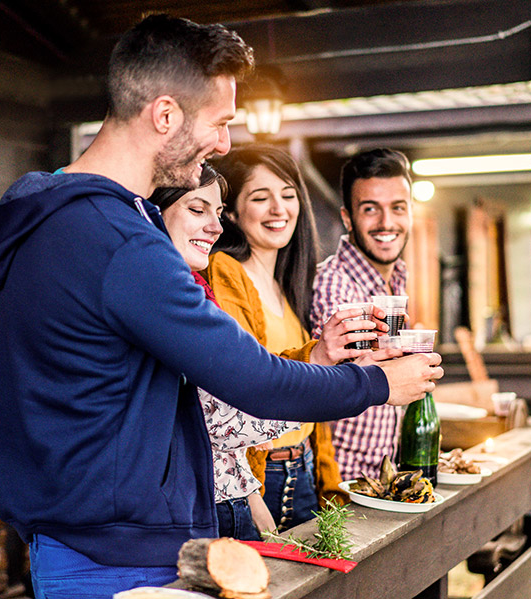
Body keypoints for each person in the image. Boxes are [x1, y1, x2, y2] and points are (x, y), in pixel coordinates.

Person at [0, 15, 442, 598]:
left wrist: (321, 362)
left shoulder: (63, 219)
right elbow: (251, 378)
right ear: (165, 115)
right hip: (117, 558)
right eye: (219, 122)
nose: (224, 143)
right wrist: (378, 383)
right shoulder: (116, 242)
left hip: (81, 540)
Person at [207, 145, 377, 530]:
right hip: (258, 476)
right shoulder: (225, 272)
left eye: (288, 195)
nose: (279, 209)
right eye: (260, 197)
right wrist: (249, 497)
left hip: (302, 467)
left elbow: (313, 401)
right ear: (231, 212)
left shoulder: (292, 284)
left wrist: (328, 485)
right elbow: (239, 387)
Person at [149, 165, 297, 541]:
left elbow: (203, 416)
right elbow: (219, 417)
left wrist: (246, 489)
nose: (216, 227)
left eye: (216, 213)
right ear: (153, 211)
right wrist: (334, 388)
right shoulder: (163, 298)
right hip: (194, 509)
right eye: (197, 210)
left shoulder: (194, 288)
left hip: (225, 497)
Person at [311, 148, 417, 482]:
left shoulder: (394, 280)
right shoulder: (334, 286)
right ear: (347, 218)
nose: (387, 223)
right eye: (370, 209)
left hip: (381, 476)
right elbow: (337, 381)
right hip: (341, 487)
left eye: (397, 208)